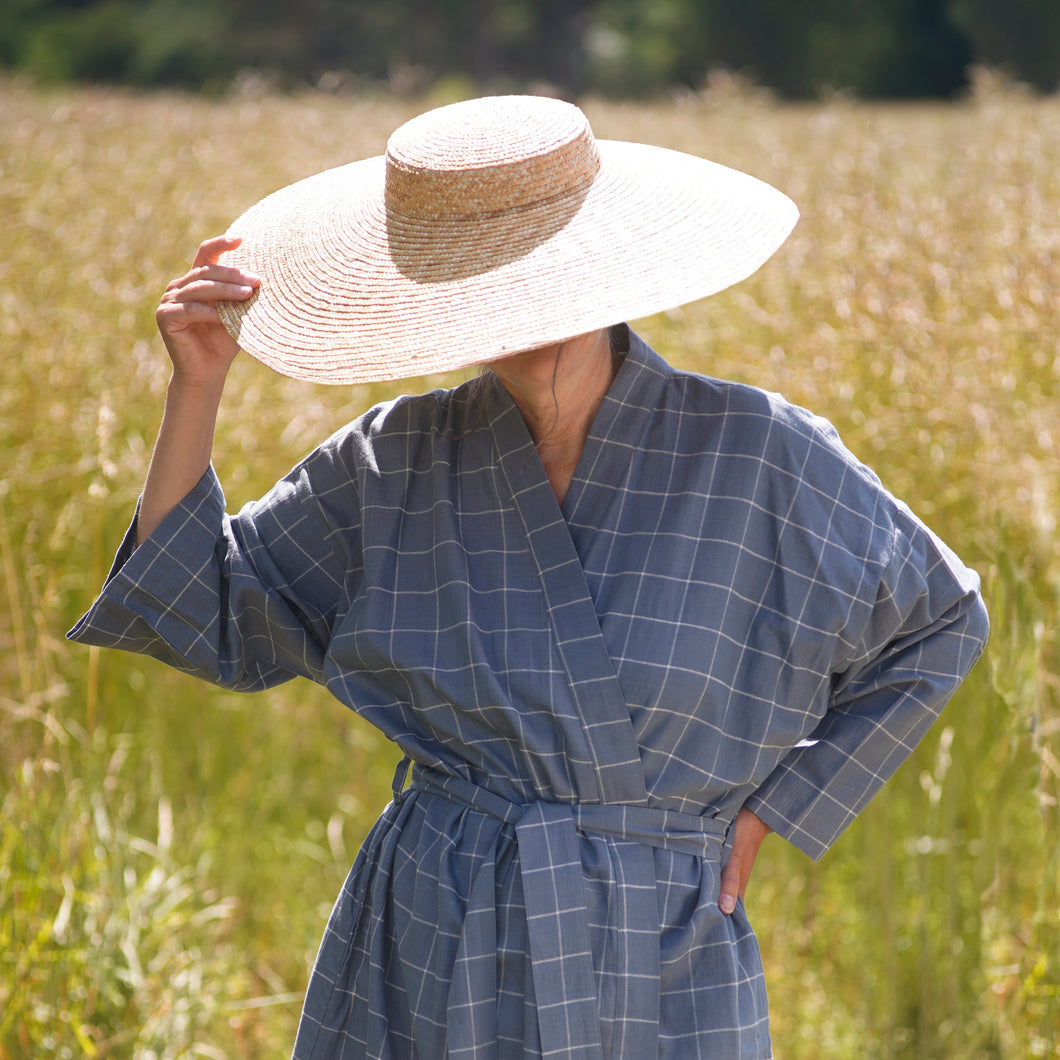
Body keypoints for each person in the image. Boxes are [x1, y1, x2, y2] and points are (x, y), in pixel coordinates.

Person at [69, 95, 989, 1059]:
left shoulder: (761, 452)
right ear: (441, 300)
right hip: (434, 928)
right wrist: (199, 386)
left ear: (610, 264)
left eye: (552, 279)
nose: (533, 318)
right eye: (493, 289)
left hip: (663, 942)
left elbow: (941, 621)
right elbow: (199, 606)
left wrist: (778, 810)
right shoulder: (393, 462)